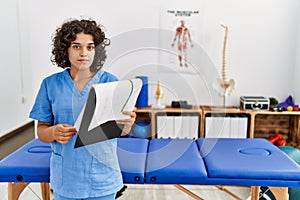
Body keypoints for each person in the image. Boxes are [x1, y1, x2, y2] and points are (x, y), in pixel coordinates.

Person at [29, 18, 136, 200]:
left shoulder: (110, 82)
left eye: (90, 47)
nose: (84, 53)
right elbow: (41, 131)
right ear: (65, 49)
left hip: (102, 176)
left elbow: (121, 131)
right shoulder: (50, 85)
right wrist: (54, 132)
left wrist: (127, 124)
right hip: (66, 178)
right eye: (76, 46)